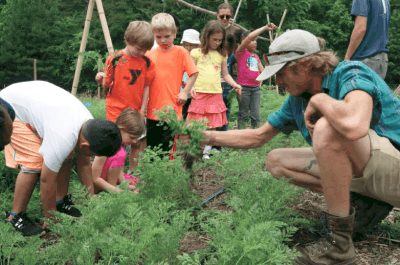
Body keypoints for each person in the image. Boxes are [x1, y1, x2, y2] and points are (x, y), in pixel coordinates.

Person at [182, 29, 400, 264]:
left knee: (327, 128)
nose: (278, 81)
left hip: (393, 169)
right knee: (276, 161)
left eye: (281, 73)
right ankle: (365, 203)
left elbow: (354, 125)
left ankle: (339, 247)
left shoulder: (351, 73)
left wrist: (320, 100)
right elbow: (257, 137)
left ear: (305, 65)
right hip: (368, 177)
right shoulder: (297, 99)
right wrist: (205, 137)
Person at [1, 81, 122, 237]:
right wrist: (51, 219)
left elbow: (84, 164)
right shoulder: (63, 137)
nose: (92, 158)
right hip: (11, 108)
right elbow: (46, 180)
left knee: (68, 154)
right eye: (94, 154)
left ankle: (60, 201)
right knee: (34, 161)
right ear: (86, 145)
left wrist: (91, 203)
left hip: (36, 103)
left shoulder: (90, 127)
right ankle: (15, 215)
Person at [95, 21, 155, 172]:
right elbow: (106, 85)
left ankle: (132, 172)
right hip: (116, 109)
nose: (141, 53)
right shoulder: (114, 59)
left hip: (135, 110)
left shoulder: (147, 62)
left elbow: (147, 85)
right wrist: (100, 78)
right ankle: (112, 173)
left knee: (137, 141)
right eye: (138, 49)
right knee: (116, 141)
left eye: (145, 50)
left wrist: (142, 110)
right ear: (128, 40)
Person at [145, 13, 198, 155]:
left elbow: (194, 73)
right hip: (151, 110)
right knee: (152, 149)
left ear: (175, 33)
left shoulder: (181, 52)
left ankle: (168, 174)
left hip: (172, 109)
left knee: (168, 150)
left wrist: (185, 92)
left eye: (167, 36)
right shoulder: (150, 53)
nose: (163, 40)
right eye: (158, 37)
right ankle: (153, 176)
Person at [188, 20, 242, 159]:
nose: (217, 42)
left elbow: (225, 74)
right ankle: (195, 148)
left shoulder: (222, 55)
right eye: (214, 39)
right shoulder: (196, 53)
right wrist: (191, 87)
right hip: (199, 92)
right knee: (197, 124)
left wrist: (235, 85)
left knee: (213, 124)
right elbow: (190, 72)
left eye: (220, 40)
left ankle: (207, 149)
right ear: (206, 37)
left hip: (215, 94)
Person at [92, 108, 144, 194]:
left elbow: (119, 172)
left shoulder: (120, 145)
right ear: (120, 129)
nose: (134, 141)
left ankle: (113, 188)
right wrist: (119, 192)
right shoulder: (106, 143)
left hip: (107, 180)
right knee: (120, 154)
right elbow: (95, 178)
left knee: (139, 182)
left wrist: (127, 187)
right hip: (94, 185)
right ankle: (111, 193)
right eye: (131, 137)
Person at [236, 24, 275, 129]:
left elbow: (263, 72)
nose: (255, 41)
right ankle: (240, 136)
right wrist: (264, 28)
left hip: (256, 89)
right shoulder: (240, 52)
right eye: (252, 40)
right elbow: (249, 38)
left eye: (256, 40)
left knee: (255, 114)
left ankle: (256, 134)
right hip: (243, 88)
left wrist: (270, 64)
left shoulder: (256, 57)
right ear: (242, 42)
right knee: (243, 114)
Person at [344, 0, 390, 80]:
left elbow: (360, 29)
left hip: (365, 60)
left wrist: (347, 57)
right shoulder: (385, 1)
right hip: (382, 60)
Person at [216, 2, 241, 133]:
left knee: (226, 102)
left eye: (228, 16)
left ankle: (224, 131)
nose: (225, 19)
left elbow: (243, 45)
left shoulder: (235, 30)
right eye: (222, 16)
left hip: (231, 67)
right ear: (217, 15)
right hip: (213, 68)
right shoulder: (212, 28)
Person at [181, 29, 201, 120]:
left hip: (196, 92)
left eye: (191, 45)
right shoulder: (180, 55)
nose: (188, 47)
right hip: (182, 92)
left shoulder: (200, 57)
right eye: (186, 45)